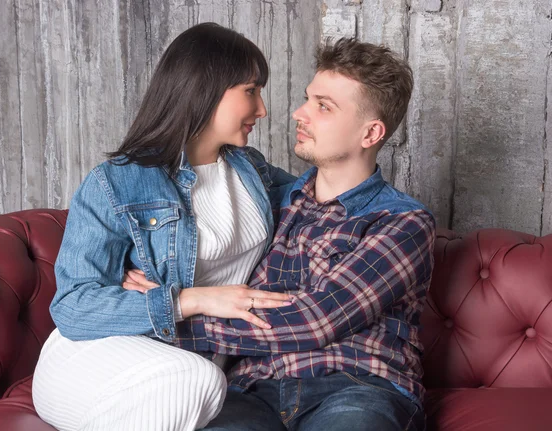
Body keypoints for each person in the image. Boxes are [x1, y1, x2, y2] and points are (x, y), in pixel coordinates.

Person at [150, 37, 436, 430]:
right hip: (250, 390)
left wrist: (163, 318)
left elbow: (315, 320)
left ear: (370, 134)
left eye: (323, 106)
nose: (299, 113)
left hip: (356, 385)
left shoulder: (403, 222)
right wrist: (146, 288)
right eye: (307, 99)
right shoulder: (264, 203)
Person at [31, 22, 296, 431]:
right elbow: (73, 308)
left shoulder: (252, 170)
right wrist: (190, 300)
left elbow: (325, 198)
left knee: (201, 381)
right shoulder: (118, 181)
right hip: (92, 360)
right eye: (251, 91)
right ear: (205, 89)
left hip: (192, 364)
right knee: (197, 379)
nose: (262, 109)